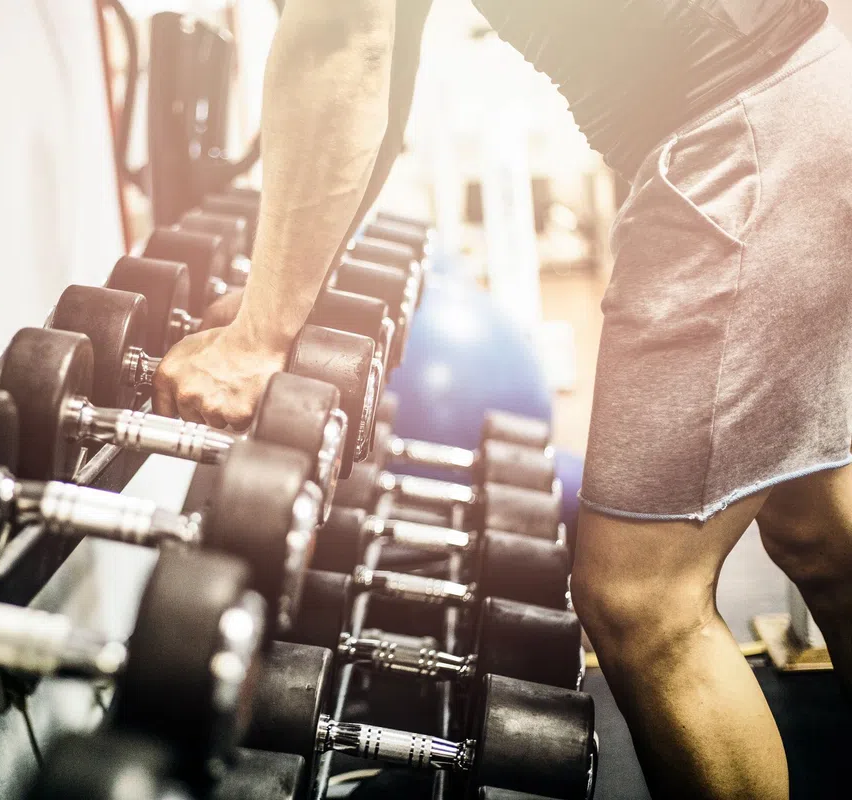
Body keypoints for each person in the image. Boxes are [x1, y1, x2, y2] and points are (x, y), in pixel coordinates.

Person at [152, 1, 852, 797]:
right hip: (812, 93)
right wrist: (278, 299)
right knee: (819, 536)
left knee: (641, 604)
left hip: (743, 139)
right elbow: (382, 73)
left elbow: (344, 43)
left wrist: (260, 338)